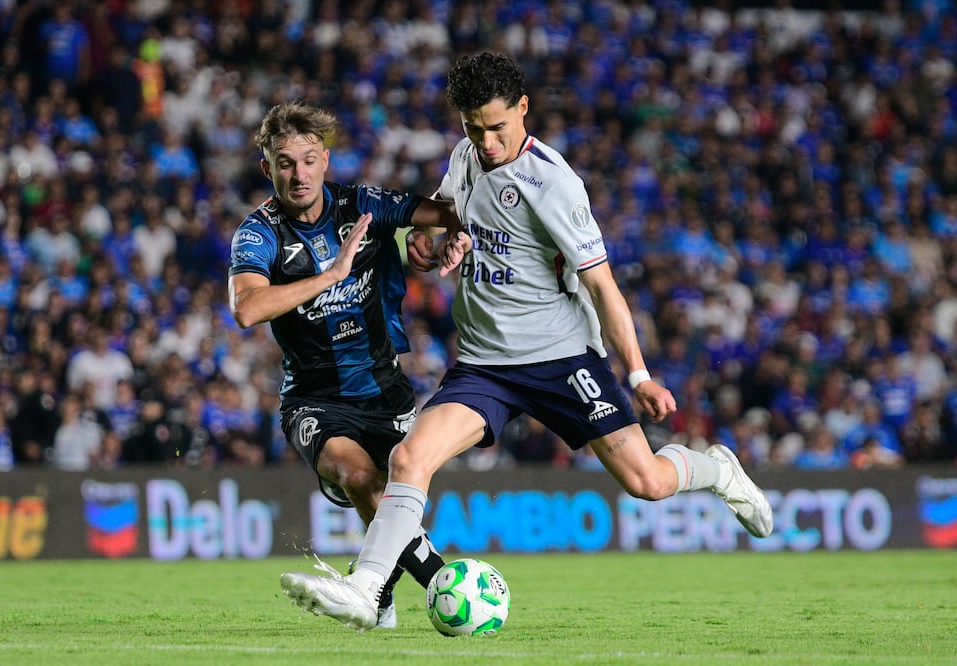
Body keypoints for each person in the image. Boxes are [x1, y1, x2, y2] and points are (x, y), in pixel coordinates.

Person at [279, 51, 774, 632]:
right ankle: (367, 590)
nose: (486, 142)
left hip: (561, 360)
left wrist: (638, 374)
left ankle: (716, 469)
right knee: (409, 457)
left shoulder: (554, 185)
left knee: (649, 482)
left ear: (523, 109)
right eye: (472, 128)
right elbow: (445, 226)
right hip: (485, 366)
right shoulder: (465, 158)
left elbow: (602, 285)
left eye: (497, 128)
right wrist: (431, 245)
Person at [228, 102, 462, 629]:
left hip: (388, 393)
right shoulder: (258, 233)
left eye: (309, 160)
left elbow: (450, 211)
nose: (299, 174)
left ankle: (376, 598)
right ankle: (448, 586)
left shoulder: (363, 206)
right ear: (267, 168)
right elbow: (247, 308)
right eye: (284, 162)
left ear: (325, 160)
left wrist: (442, 238)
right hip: (315, 401)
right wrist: (330, 274)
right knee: (358, 475)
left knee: (392, 498)